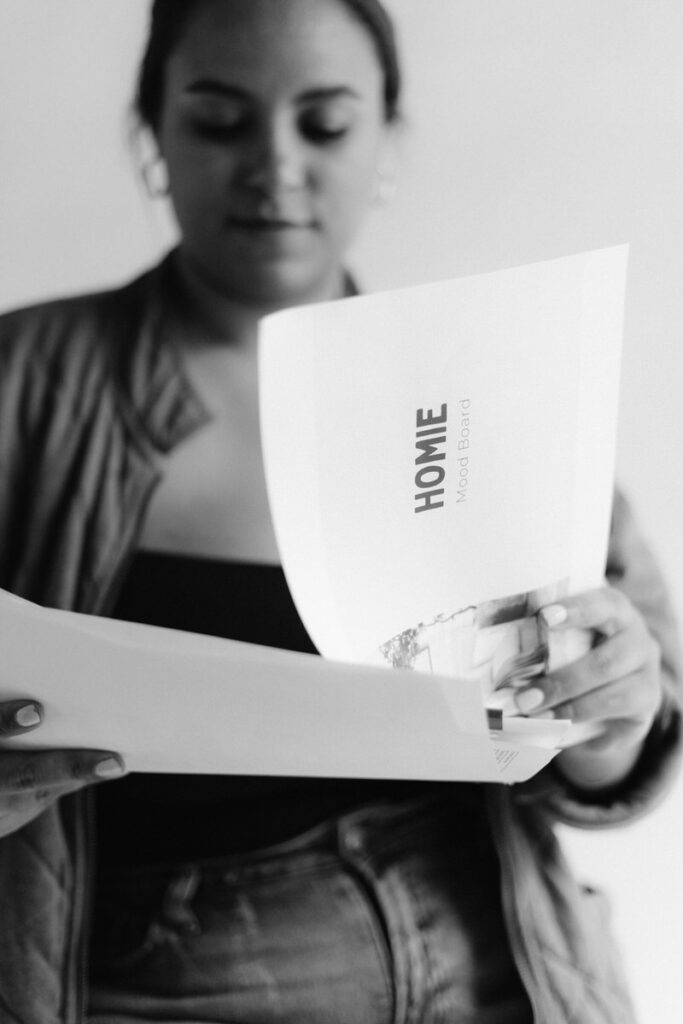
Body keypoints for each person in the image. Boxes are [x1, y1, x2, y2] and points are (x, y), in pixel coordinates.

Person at [0, 1, 680, 1021]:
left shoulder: (490, 377)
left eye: (322, 124)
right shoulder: (24, 384)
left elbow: (616, 741)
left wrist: (606, 712)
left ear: (385, 145)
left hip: (498, 947)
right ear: (154, 137)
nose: (274, 167)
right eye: (221, 121)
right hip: (158, 973)